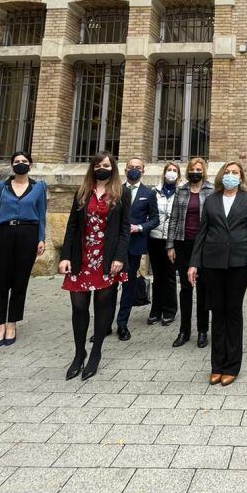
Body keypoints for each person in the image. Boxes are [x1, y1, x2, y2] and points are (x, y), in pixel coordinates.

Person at [188, 161, 247, 386]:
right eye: (227, 172)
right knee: (217, 313)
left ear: (241, 177)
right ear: (222, 176)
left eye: (235, 173)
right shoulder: (211, 200)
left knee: (233, 312)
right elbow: (202, 233)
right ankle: (217, 365)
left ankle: (232, 366)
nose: (230, 176)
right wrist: (194, 264)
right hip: (213, 263)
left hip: (238, 264)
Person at [59, 152, 130, 380]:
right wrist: (65, 256)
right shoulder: (82, 193)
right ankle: (79, 353)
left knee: (103, 305)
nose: (102, 168)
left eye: (106, 165)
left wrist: (119, 257)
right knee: (79, 306)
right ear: (92, 168)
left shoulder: (121, 193)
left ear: (113, 168)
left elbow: (124, 229)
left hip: (107, 258)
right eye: (98, 165)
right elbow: (71, 227)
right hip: (82, 256)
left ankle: (96, 352)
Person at [0, 150, 47, 347]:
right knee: (0, 282)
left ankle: (12, 323)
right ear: (11, 165)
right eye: (16, 161)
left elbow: (42, 214)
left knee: (20, 282)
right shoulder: (0, 187)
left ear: (30, 165)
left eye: (24, 161)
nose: (20, 164)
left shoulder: (39, 187)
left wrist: (41, 238)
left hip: (28, 234)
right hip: (2, 234)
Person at [167, 157, 212, 348]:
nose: (196, 171)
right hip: (182, 243)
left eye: (199, 168)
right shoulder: (181, 190)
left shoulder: (211, 191)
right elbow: (174, 219)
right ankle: (184, 331)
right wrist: (170, 245)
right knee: (186, 288)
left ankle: (202, 331)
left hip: (203, 245)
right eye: (193, 168)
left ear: (204, 171)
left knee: (202, 288)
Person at [114, 157, 159, 340]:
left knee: (128, 284)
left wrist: (140, 227)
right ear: (125, 170)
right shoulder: (116, 190)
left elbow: (155, 219)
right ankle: (104, 324)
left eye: (138, 167)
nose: (134, 170)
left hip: (134, 245)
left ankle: (122, 324)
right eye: (131, 167)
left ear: (143, 170)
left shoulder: (148, 193)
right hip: (114, 245)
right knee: (109, 286)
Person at [147, 162, 180, 327]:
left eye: (174, 171)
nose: (171, 173)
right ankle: (156, 309)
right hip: (154, 238)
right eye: (169, 170)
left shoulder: (181, 193)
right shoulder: (154, 192)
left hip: (171, 240)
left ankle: (169, 310)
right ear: (164, 173)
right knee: (157, 276)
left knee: (169, 275)